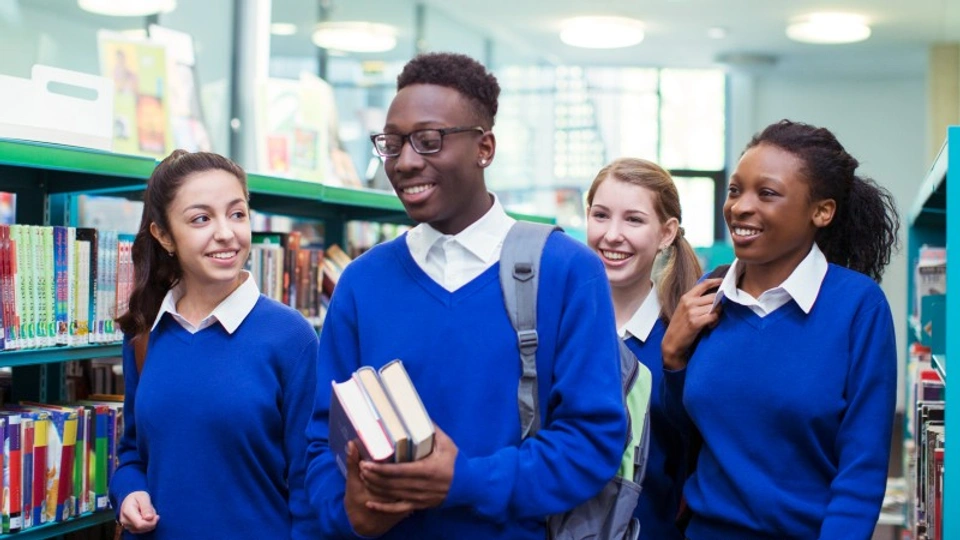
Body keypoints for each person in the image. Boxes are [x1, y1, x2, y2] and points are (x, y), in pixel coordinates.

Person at [304, 52, 627, 539]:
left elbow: (593, 439)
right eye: (392, 144)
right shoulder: (361, 282)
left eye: (429, 141)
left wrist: (464, 481)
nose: (407, 162)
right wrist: (349, 513)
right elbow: (322, 440)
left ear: (485, 147)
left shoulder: (566, 271)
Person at [661, 119, 899, 540]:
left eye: (766, 193)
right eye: (735, 190)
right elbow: (686, 438)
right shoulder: (706, 297)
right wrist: (673, 360)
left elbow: (861, 472)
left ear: (821, 211)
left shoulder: (858, 307)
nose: (739, 207)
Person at [109, 151, 319, 539]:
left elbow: (310, 484)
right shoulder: (144, 332)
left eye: (237, 214)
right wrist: (128, 492)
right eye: (201, 219)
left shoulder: (292, 338)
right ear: (164, 235)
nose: (226, 233)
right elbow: (133, 453)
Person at [585, 157, 701, 539]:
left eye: (633, 220)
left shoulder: (683, 342)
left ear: (666, 233)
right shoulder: (560, 329)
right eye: (601, 215)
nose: (612, 235)